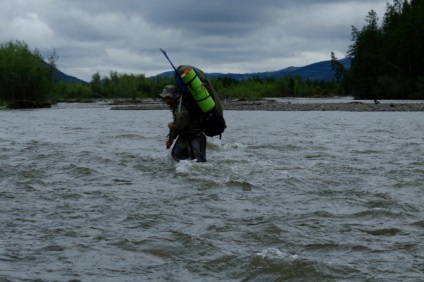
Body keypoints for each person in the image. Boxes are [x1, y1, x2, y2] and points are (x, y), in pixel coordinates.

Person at [159, 85, 207, 162]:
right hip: (185, 137)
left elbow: (181, 125)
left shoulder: (181, 107)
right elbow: (179, 123)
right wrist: (171, 139)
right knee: (176, 156)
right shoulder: (178, 104)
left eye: (165, 97)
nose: (164, 99)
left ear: (171, 97)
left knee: (199, 163)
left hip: (195, 137)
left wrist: (172, 125)